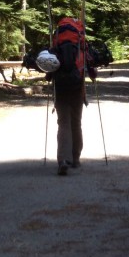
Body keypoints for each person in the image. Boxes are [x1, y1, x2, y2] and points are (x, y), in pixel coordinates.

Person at [38, 16, 96, 175]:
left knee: (63, 123)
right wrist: (92, 75)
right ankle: (76, 159)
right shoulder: (81, 44)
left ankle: (63, 159)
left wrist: (49, 78)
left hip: (60, 88)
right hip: (77, 88)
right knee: (76, 123)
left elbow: (48, 69)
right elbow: (91, 67)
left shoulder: (56, 45)